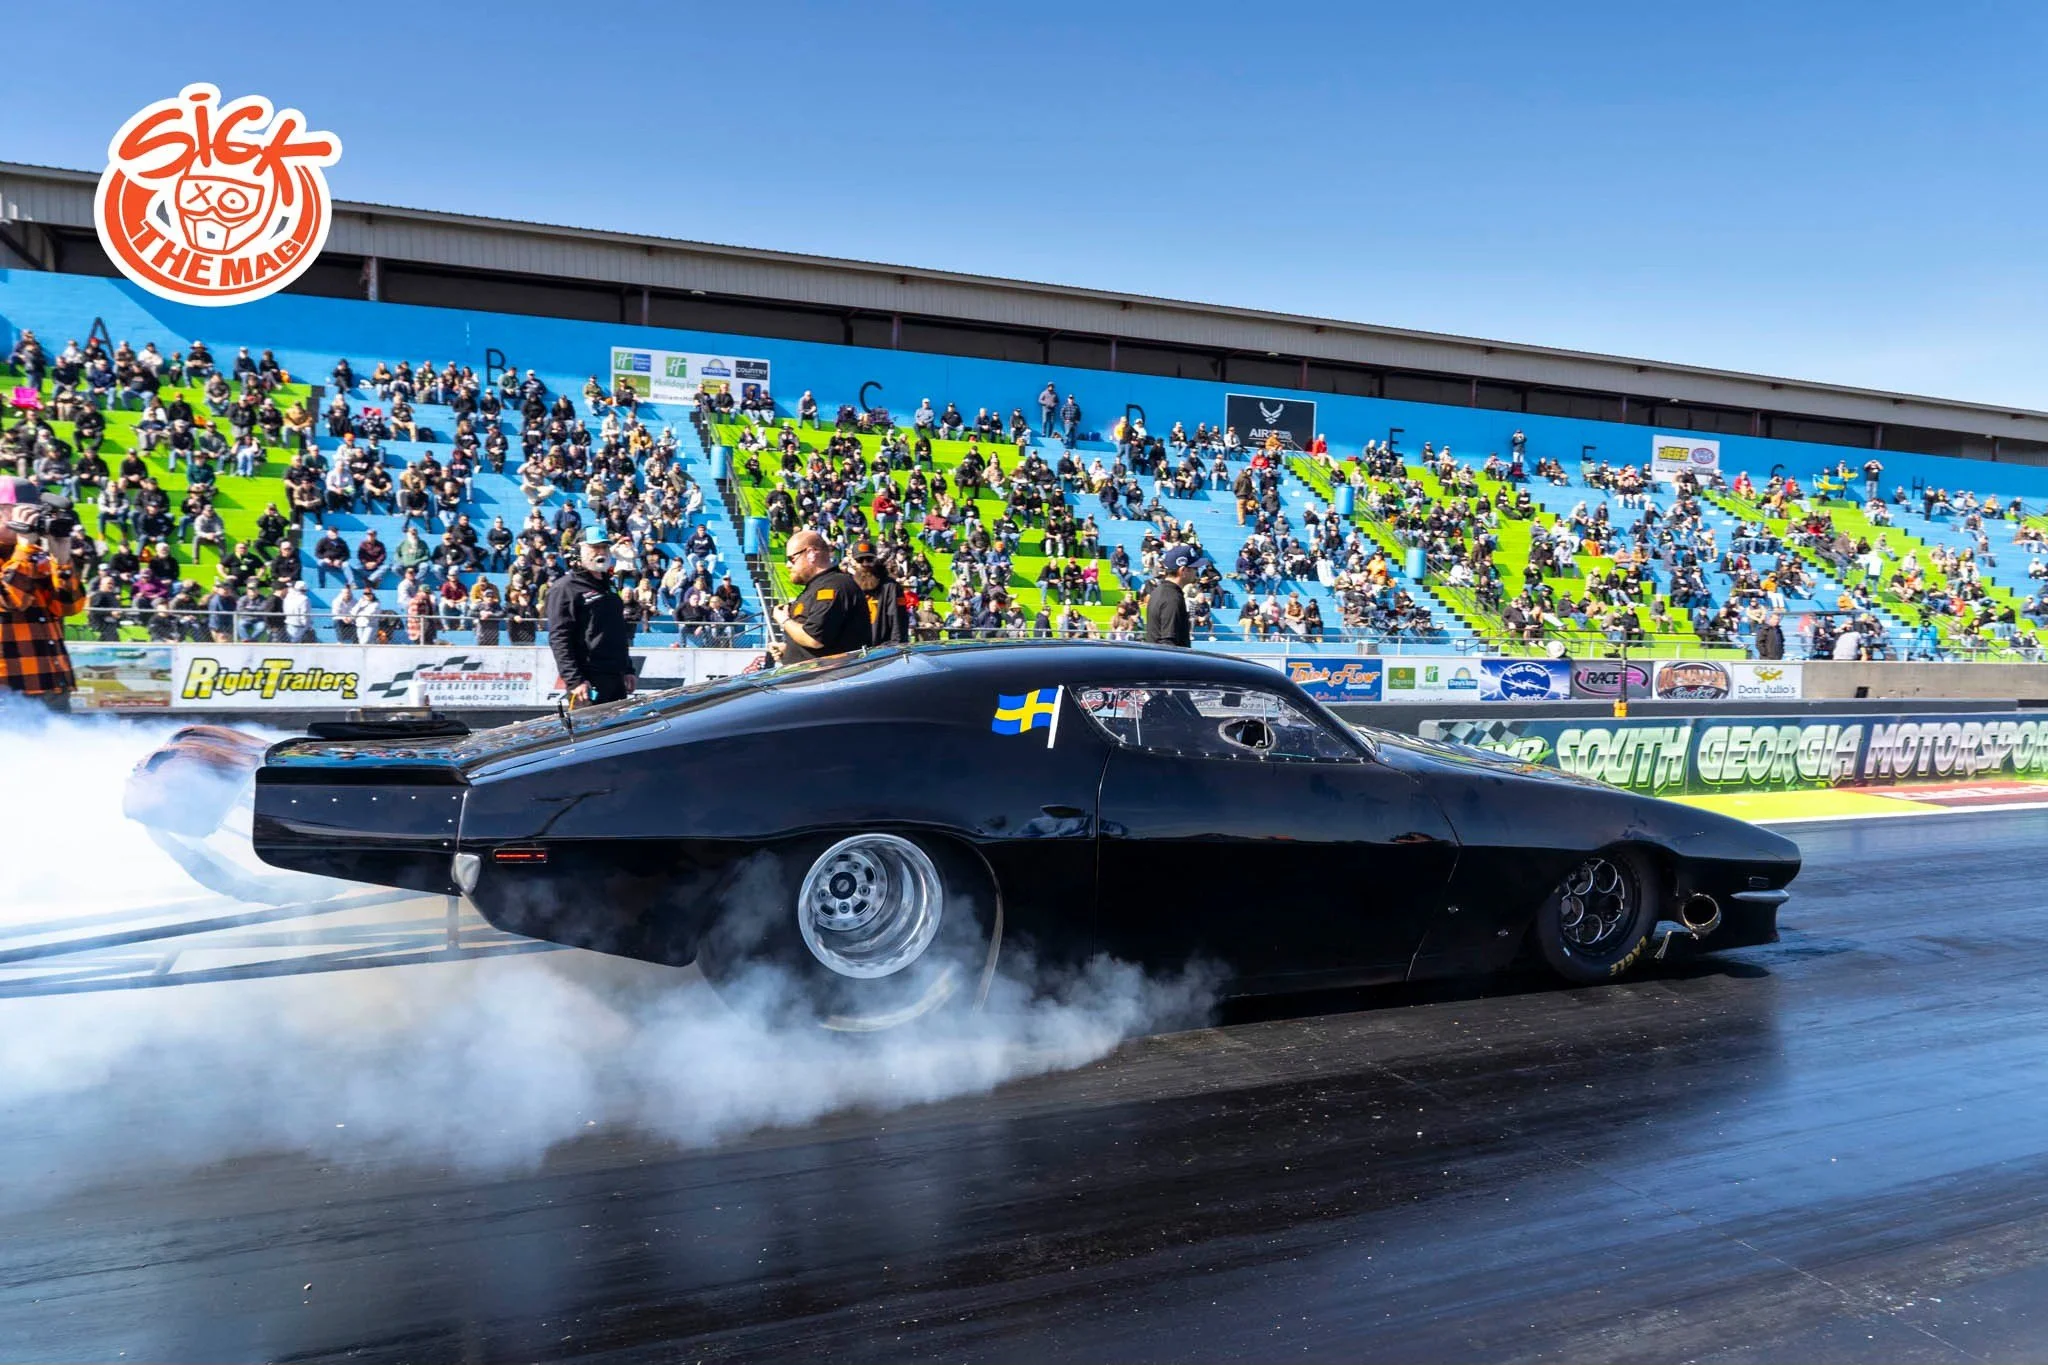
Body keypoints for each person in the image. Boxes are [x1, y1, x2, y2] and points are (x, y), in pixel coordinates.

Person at [0, 479, 86, 705]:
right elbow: (10, 599)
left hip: (51, 682)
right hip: (9, 690)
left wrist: (62, 561)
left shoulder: (35, 554)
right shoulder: (27, 552)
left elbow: (69, 606)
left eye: (37, 512)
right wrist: (25, 548)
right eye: (25, 512)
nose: (34, 519)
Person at [546, 527, 638, 706]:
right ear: (577, 552)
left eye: (604, 547)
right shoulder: (565, 588)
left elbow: (616, 631)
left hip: (616, 678)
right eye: (594, 548)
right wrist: (575, 681)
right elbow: (559, 638)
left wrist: (628, 668)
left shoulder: (609, 586)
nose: (601, 552)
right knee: (591, 734)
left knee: (620, 733)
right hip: (588, 682)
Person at [771, 528, 870, 663]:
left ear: (811, 553)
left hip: (826, 680)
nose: (788, 565)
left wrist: (784, 620)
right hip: (810, 677)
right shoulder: (815, 588)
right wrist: (789, 650)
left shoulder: (834, 585)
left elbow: (814, 639)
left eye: (791, 559)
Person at [1144, 542, 1204, 647]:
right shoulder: (1172, 598)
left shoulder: (1160, 591)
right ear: (1183, 570)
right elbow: (1168, 644)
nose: (1197, 572)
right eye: (1195, 568)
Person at [849, 540, 908, 646]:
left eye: (869, 559)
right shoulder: (848, 586)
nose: (865, 563)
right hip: (854, 652)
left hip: (882, 652)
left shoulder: (891, 587)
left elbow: (898, 623)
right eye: (860, 560)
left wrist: (896, 649)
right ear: (852, 562)